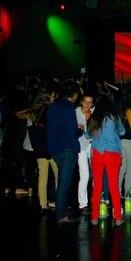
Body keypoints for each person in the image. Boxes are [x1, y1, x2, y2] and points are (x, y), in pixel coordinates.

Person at [47, 81, 84, 224]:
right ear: (73, 95)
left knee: (62, 180)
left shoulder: (53, 106)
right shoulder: (68, 108)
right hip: (68, 149)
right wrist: (80, 129)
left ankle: (61, 209)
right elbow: (72, 132)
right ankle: (61, 213)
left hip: (55, 149)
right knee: (64, 181)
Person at [86, 98, 125, 226]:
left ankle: (94, 218)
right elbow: (123, 131)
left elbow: (87, 135)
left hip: (97, 155)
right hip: (112, 155)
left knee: (97, 187)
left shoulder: (94, 118)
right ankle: (118, 218)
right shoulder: (114, 117)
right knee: (114, 187)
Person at [75, 94, 94, 214]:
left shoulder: (93, 113)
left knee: (96, 174)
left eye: (90, 102)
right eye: (85, 102)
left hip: (93, 146)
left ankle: (96, 199)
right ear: (81, 101)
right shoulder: (75, 112)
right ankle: (83, 203)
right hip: (81, 146)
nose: (87, 104)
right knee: (84, 175)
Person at [118, 91, 131, 196]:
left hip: (120, 141)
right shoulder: (129, 110)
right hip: (129, 142)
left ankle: (118, 192)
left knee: (122, 168)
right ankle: (127, 193)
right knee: (130, 169)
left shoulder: (119, 111)